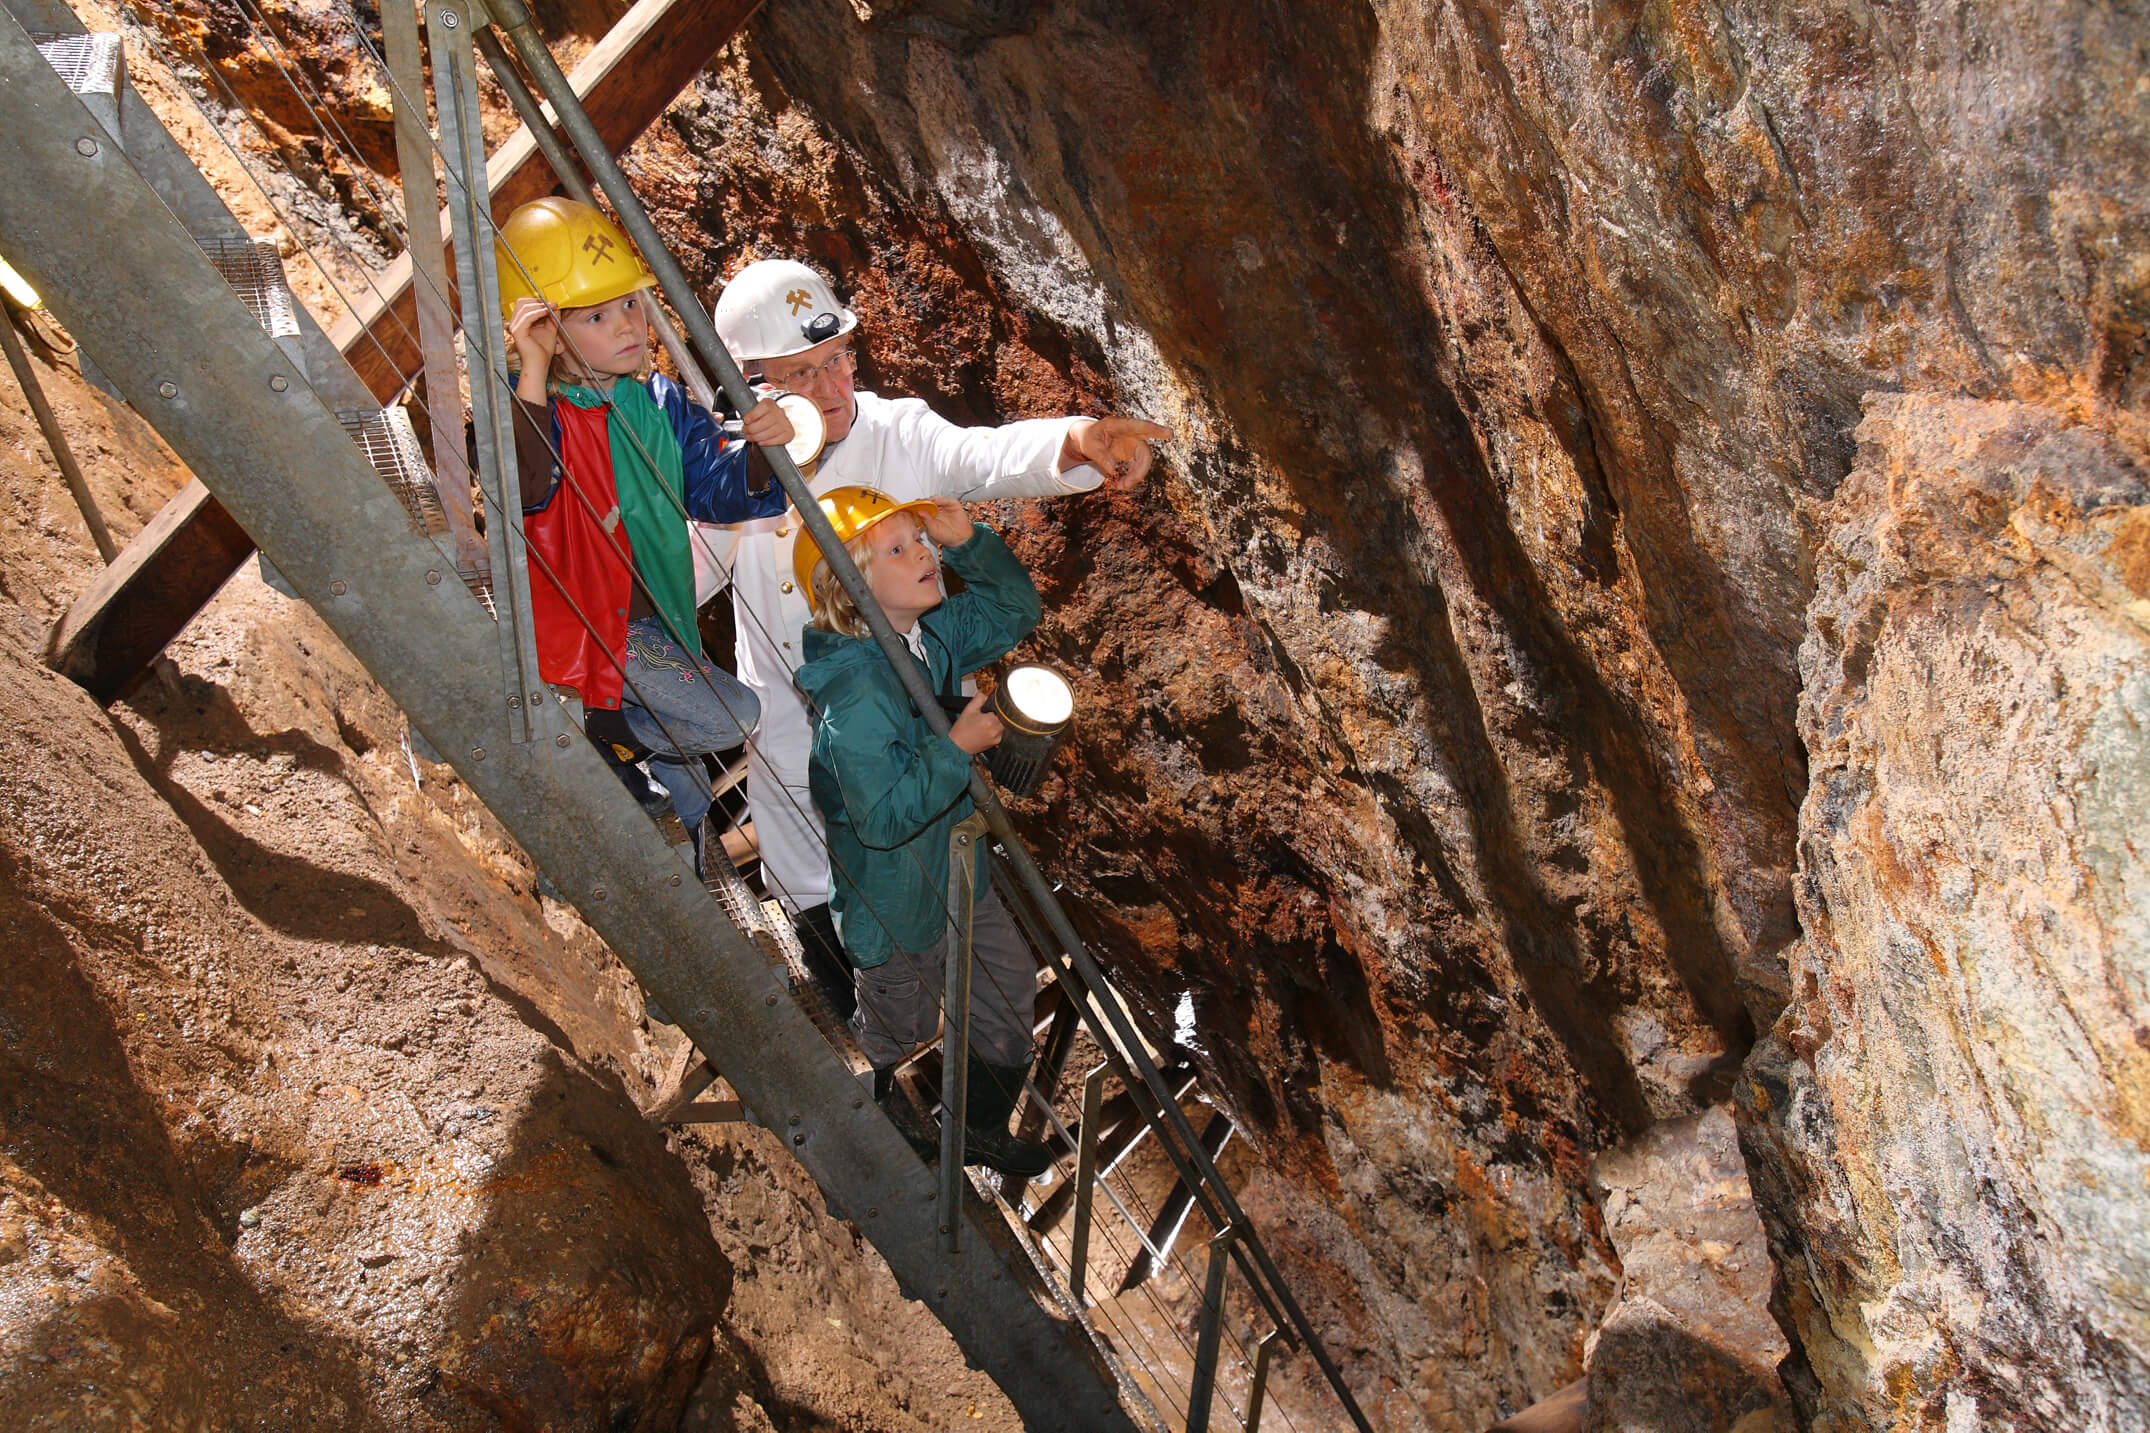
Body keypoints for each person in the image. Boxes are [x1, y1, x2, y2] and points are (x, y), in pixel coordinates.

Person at [712, 258, 1171, 1014]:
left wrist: (1081, 440)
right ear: (754, 386)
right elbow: (679, 578)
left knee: (942, 919)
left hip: (915, 732)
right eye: (803, 375)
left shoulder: (895, 431)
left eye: (838, 361)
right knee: (839, 936)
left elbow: (983, 457)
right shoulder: (732, 476)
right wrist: (734, 480)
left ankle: (964, 1099)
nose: (833, 391)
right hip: (801, 744)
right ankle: (881, 1086)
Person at [497, 198, 792, 873]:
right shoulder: (527, 406)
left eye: (629, 304)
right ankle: (603, 730)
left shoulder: (655, 400)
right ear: (542, 327)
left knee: (686, 806)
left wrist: (759, 450)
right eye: (596, 316)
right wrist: (535, 370)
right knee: (730, 717)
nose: (628, 325)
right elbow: (524, 483)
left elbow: (715, 487)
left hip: (650, 626)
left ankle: (628, 832)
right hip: (585, 628)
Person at [794, 486, 1053, 1178]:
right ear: (849, 588)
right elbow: (877, 821)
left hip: (961, 871)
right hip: (896, 903)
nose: (924, 553)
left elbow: (1015, 608)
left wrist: (970, 541)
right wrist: (956, 746)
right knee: (900, 1030)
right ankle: (872, 1145)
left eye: (922, 540)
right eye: (899, 547)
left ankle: (977, 1129)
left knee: (1008, 986)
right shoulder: (854, 696)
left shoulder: (928, 635)